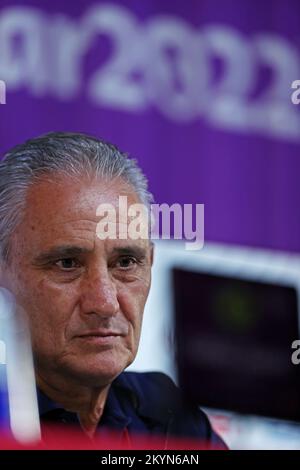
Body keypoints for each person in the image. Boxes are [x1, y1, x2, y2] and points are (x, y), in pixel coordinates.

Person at [0, 132, 227, 449]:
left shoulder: (173, 419)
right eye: (67, 263)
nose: (105, 303)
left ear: (150, 263)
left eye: (126, 262)